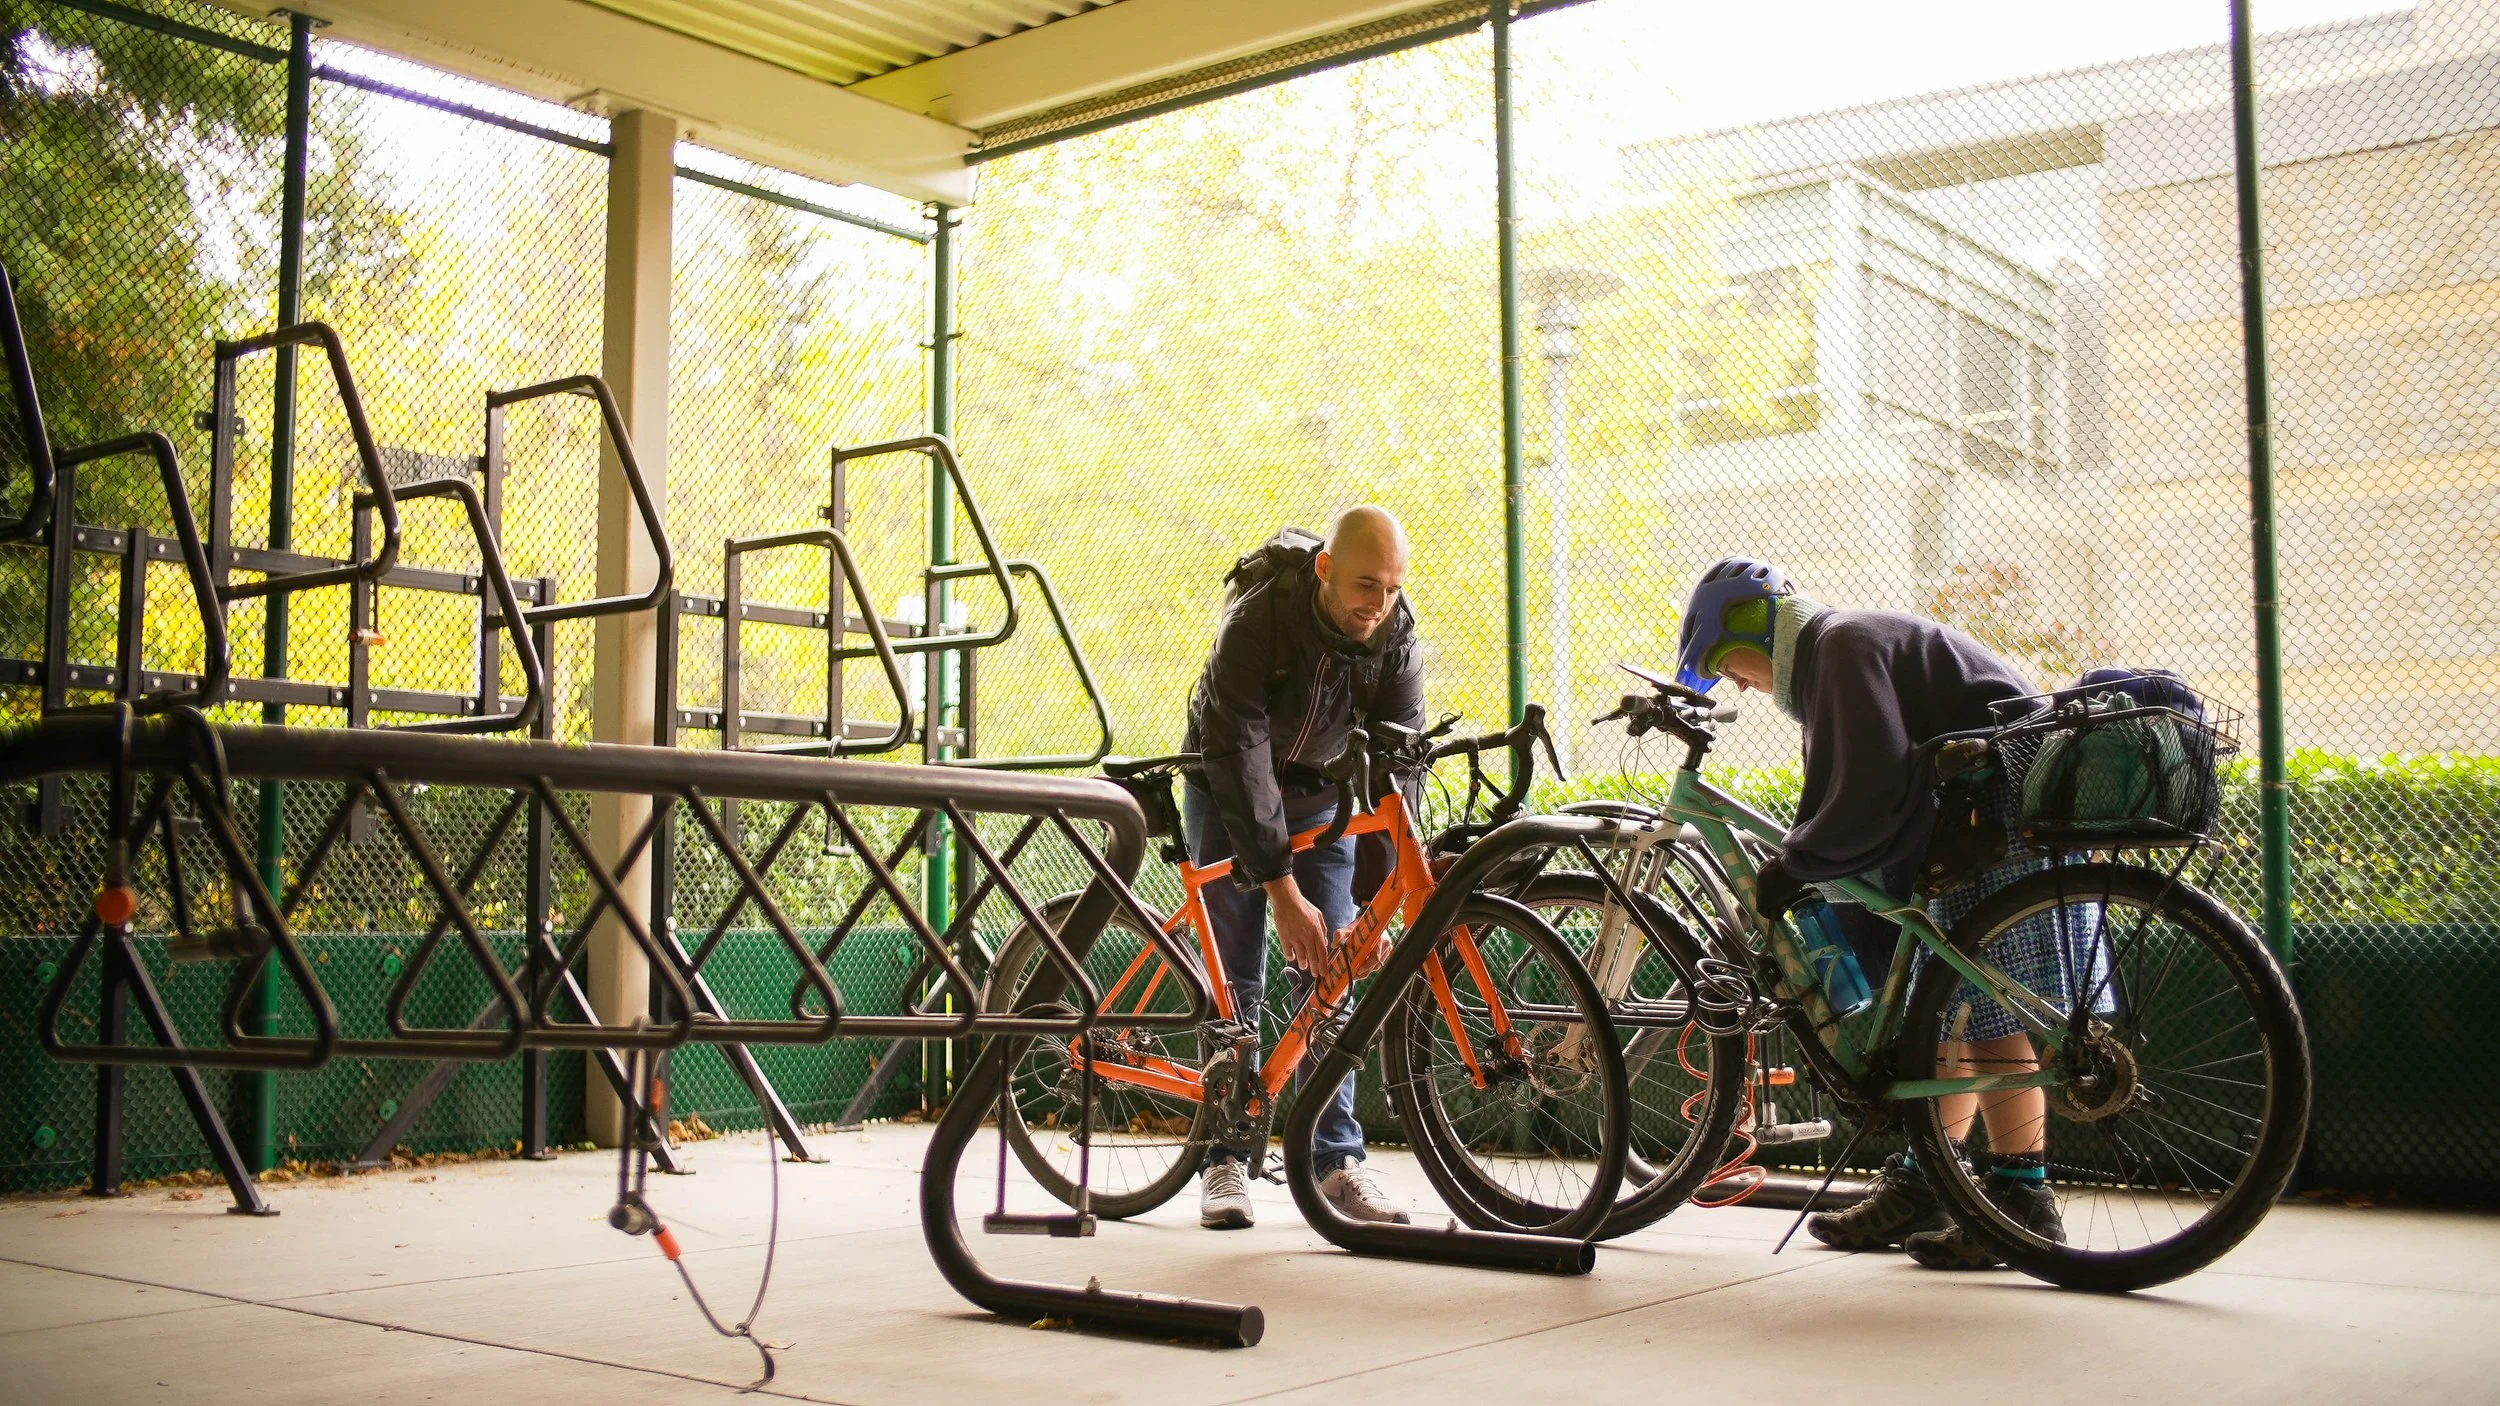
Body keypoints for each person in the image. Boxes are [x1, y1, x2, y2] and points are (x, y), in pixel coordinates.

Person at [1671, 555, 2095, 1270]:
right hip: (1976, 814)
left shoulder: (1840, 645)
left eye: (1725, 660)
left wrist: (1798, 865)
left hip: (1996, 812)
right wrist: (1809, 861)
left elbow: (1868, 782)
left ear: (1753, 626)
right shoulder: (1835, 653)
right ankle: (1926, 1179)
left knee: (1986, 1014)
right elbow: (1855, 786)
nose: (1734, 681)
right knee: (1950, 1011)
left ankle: (2023, 1198)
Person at [1179, 506, 1424, 1230]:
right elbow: (1241, 754)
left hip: (1322, 797)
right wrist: (1281, 889)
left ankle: (1336, 1163)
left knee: (1333, 975)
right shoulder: (1258, 622)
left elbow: (1396, 778)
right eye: (1363, 584)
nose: (1376, 604)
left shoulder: (1396, 638)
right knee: (1237, 975)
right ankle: (1223, 1157)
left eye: (1391, 587)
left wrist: (1382, 902)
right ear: (1324, 570)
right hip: (1225, 783)